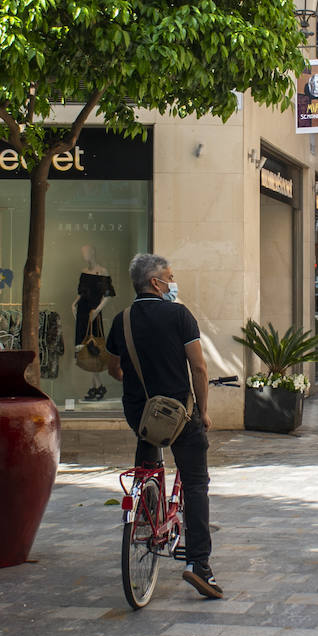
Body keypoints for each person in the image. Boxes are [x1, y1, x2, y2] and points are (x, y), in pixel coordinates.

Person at [104, 254, 220, 599]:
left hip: (139, 415)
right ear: (156, 283)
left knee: (148, 458)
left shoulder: (121, 320)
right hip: (179, 415)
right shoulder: (179, 315)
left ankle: (146, 507)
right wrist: (202, 411)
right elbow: (198, 369)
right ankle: (199, 566)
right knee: (196, 484)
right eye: (170, 277)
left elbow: (113, 367)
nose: (173, 282)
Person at [72, 245, 117, 401]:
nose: (84, 254)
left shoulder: (102, 271)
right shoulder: (84, 271)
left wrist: (97, 310)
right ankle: (96, 387)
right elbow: (82, 293)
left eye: (86, 251)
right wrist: (74, 303)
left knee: (93, 349)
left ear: (93, 252)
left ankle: (98, 387)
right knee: (84, 348)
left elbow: (108, 294)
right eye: (82, 251)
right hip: (82, 312)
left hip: (93, 313)